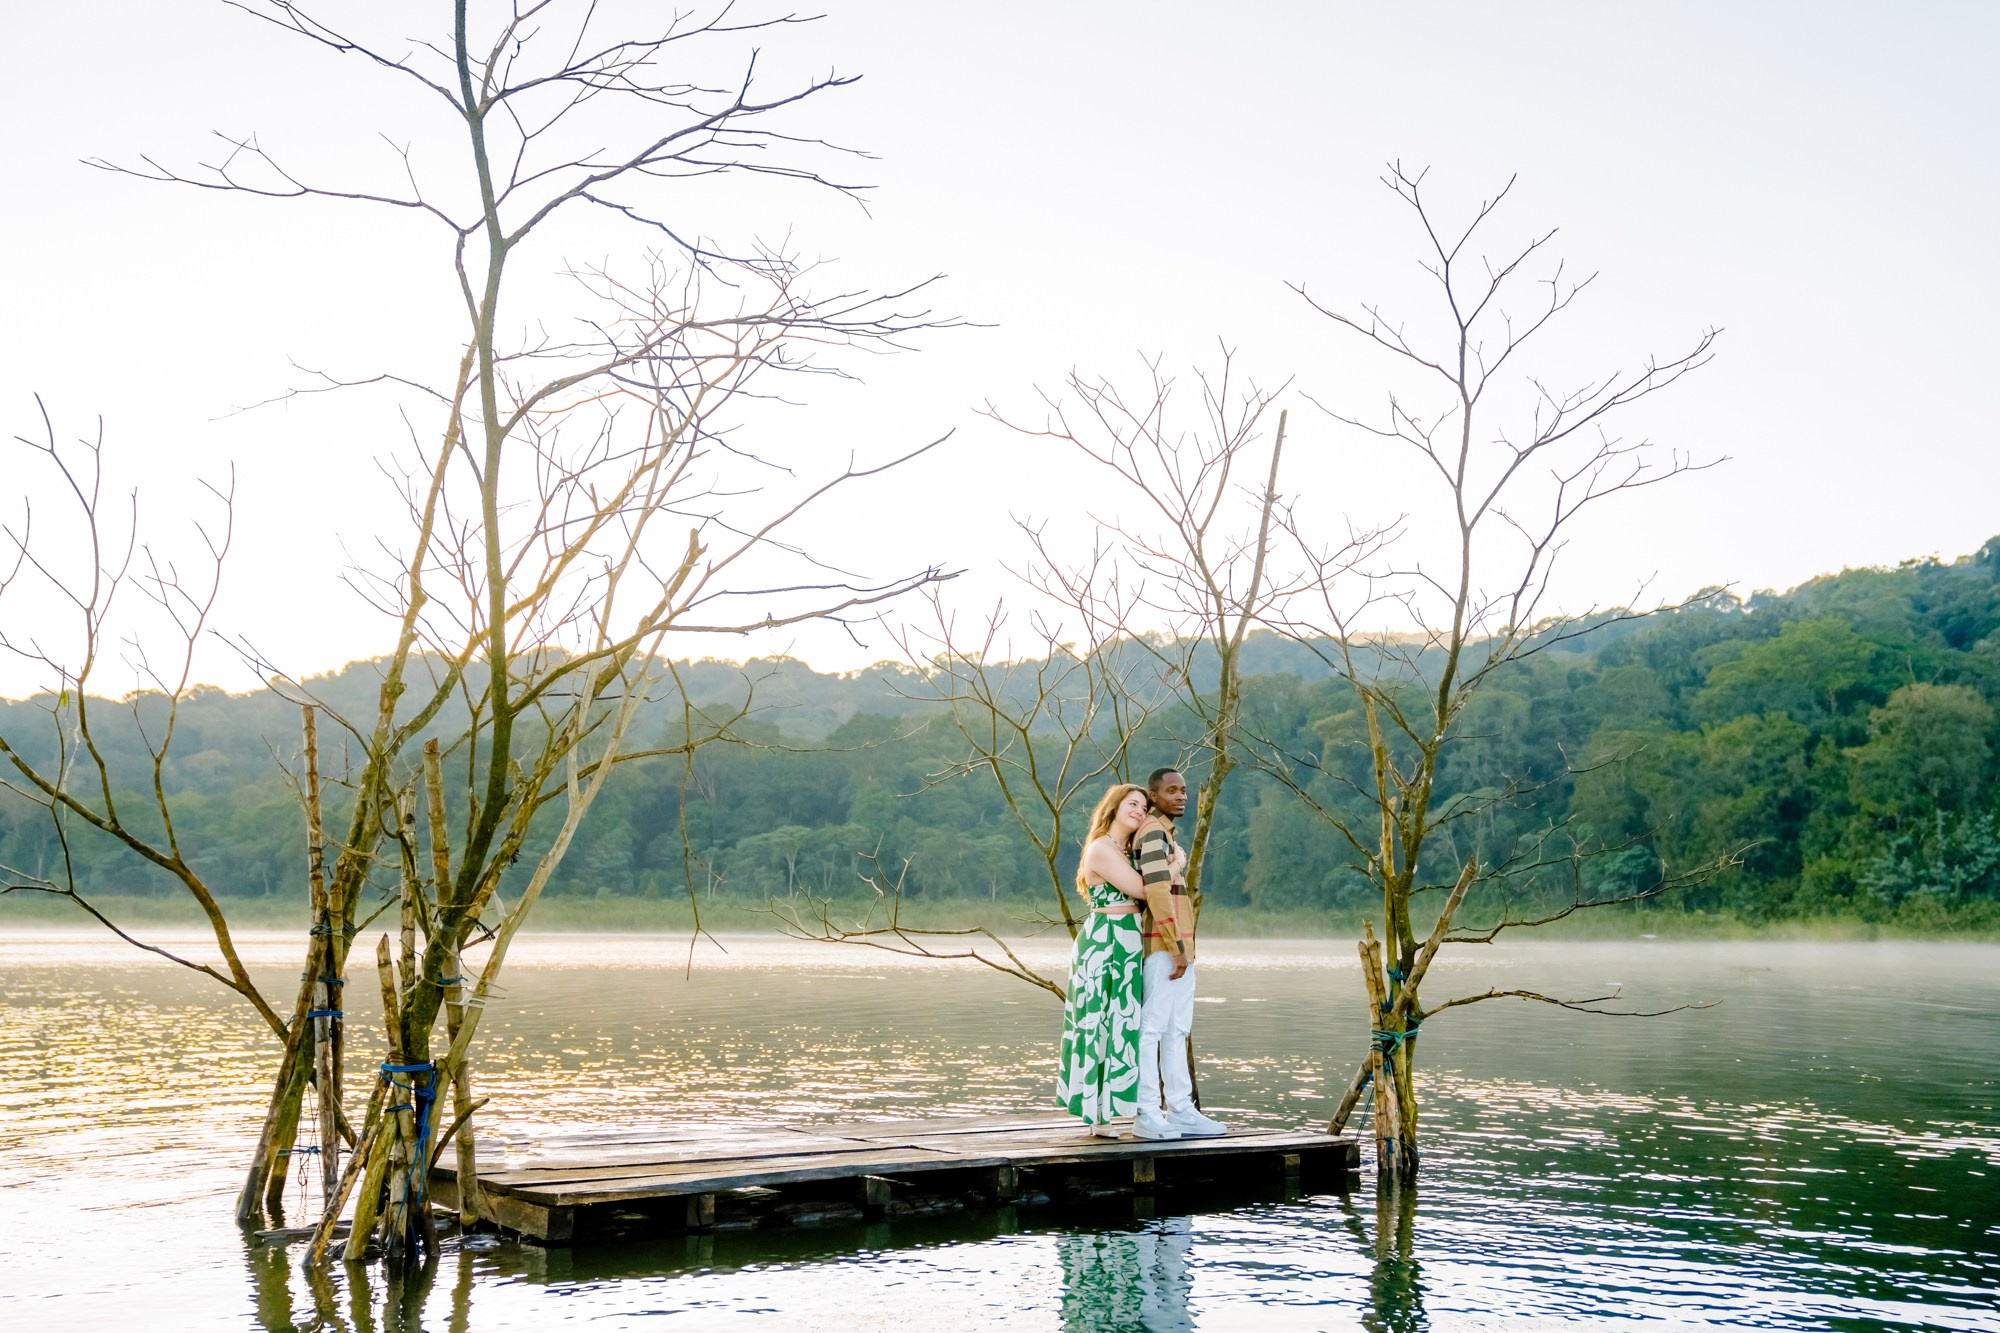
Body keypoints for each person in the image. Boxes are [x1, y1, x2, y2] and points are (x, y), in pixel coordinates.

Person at [1132, 767, 1225, 1140]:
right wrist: (1176, 948)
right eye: (1172, 790)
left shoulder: (1166, 836)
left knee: (1176, 1028)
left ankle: (1182, 1110)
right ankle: (1146, 1112)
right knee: (1152, 1028)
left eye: (1184, 790)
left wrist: (1184, 948)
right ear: (1154, 797)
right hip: (1164, 946)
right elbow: (1155, 892)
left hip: (1179, 946)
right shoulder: (1152, 833)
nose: (1181, 796)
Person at [1056, 782, 1151, 1136]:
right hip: (1104, 940)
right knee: (1096, 1021)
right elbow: (1143, 890)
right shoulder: (1100, 849)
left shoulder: (1128, 851)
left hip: (1127, 941)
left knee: (1122, 1024)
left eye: (1143, 808)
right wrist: (1177, 865)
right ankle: (1095, 1115)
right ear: (1113, 807)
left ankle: (1110, 1108)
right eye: (1132, 803)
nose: (1139, 811)